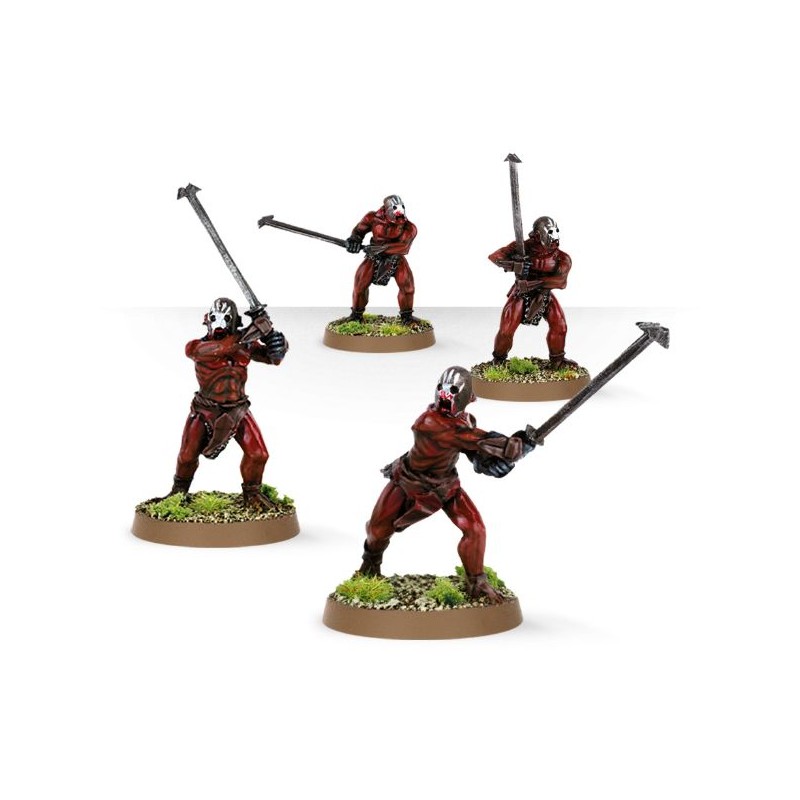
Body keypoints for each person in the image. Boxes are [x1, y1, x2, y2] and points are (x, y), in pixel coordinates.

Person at [358, 366, 535, 603]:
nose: (445, 395)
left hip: (445, 485)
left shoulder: (464, 421)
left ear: (469, 398)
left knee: (475, 529)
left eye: (452, 391)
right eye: (442, 389)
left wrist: (490, 462)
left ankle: (477, 582)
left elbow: (473, 449)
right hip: (409, 481)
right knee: (377, 530)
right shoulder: (428, 422)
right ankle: (370, 565)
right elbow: (479, 440)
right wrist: (517, 446)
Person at [168, 297, 288, 508]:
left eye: (226, 319)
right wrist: (255, 329)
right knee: (187, 457)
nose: (220, 324)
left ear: (234, 322)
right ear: (207, 320)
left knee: (258, 454)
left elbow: (273, 359)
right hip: (205, 410)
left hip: (237, 410)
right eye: (215, 318)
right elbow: (223, 348)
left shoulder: (246, 345)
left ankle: (252, 496)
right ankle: (177, 494)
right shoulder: (196, 347)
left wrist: (276, 341)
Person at [489, 216, 575, 367]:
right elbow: (495, 256)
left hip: (544, 294)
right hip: (521, 293)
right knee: (506, 329)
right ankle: (499, 360)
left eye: (556, 230)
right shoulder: (522, 247)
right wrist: (514, 265)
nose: (555, 236)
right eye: (550, 232)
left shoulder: (562, 257)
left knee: (560, 326)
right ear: (537, 235)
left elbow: (561, 282)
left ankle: (557, 360)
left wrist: (535, 284)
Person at [345, 195, 418, 323]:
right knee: (360, 285)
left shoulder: (409, 227)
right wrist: (354, 241)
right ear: (386, 209)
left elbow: (404, 247)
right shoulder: (372, 218)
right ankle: (356, 315)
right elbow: (359, 231)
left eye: (402, 207)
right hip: (374, 257)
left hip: (395, 257)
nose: (400, 213)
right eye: (395, 208)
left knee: (408, 287)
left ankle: (407, 317)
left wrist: (381, 248)